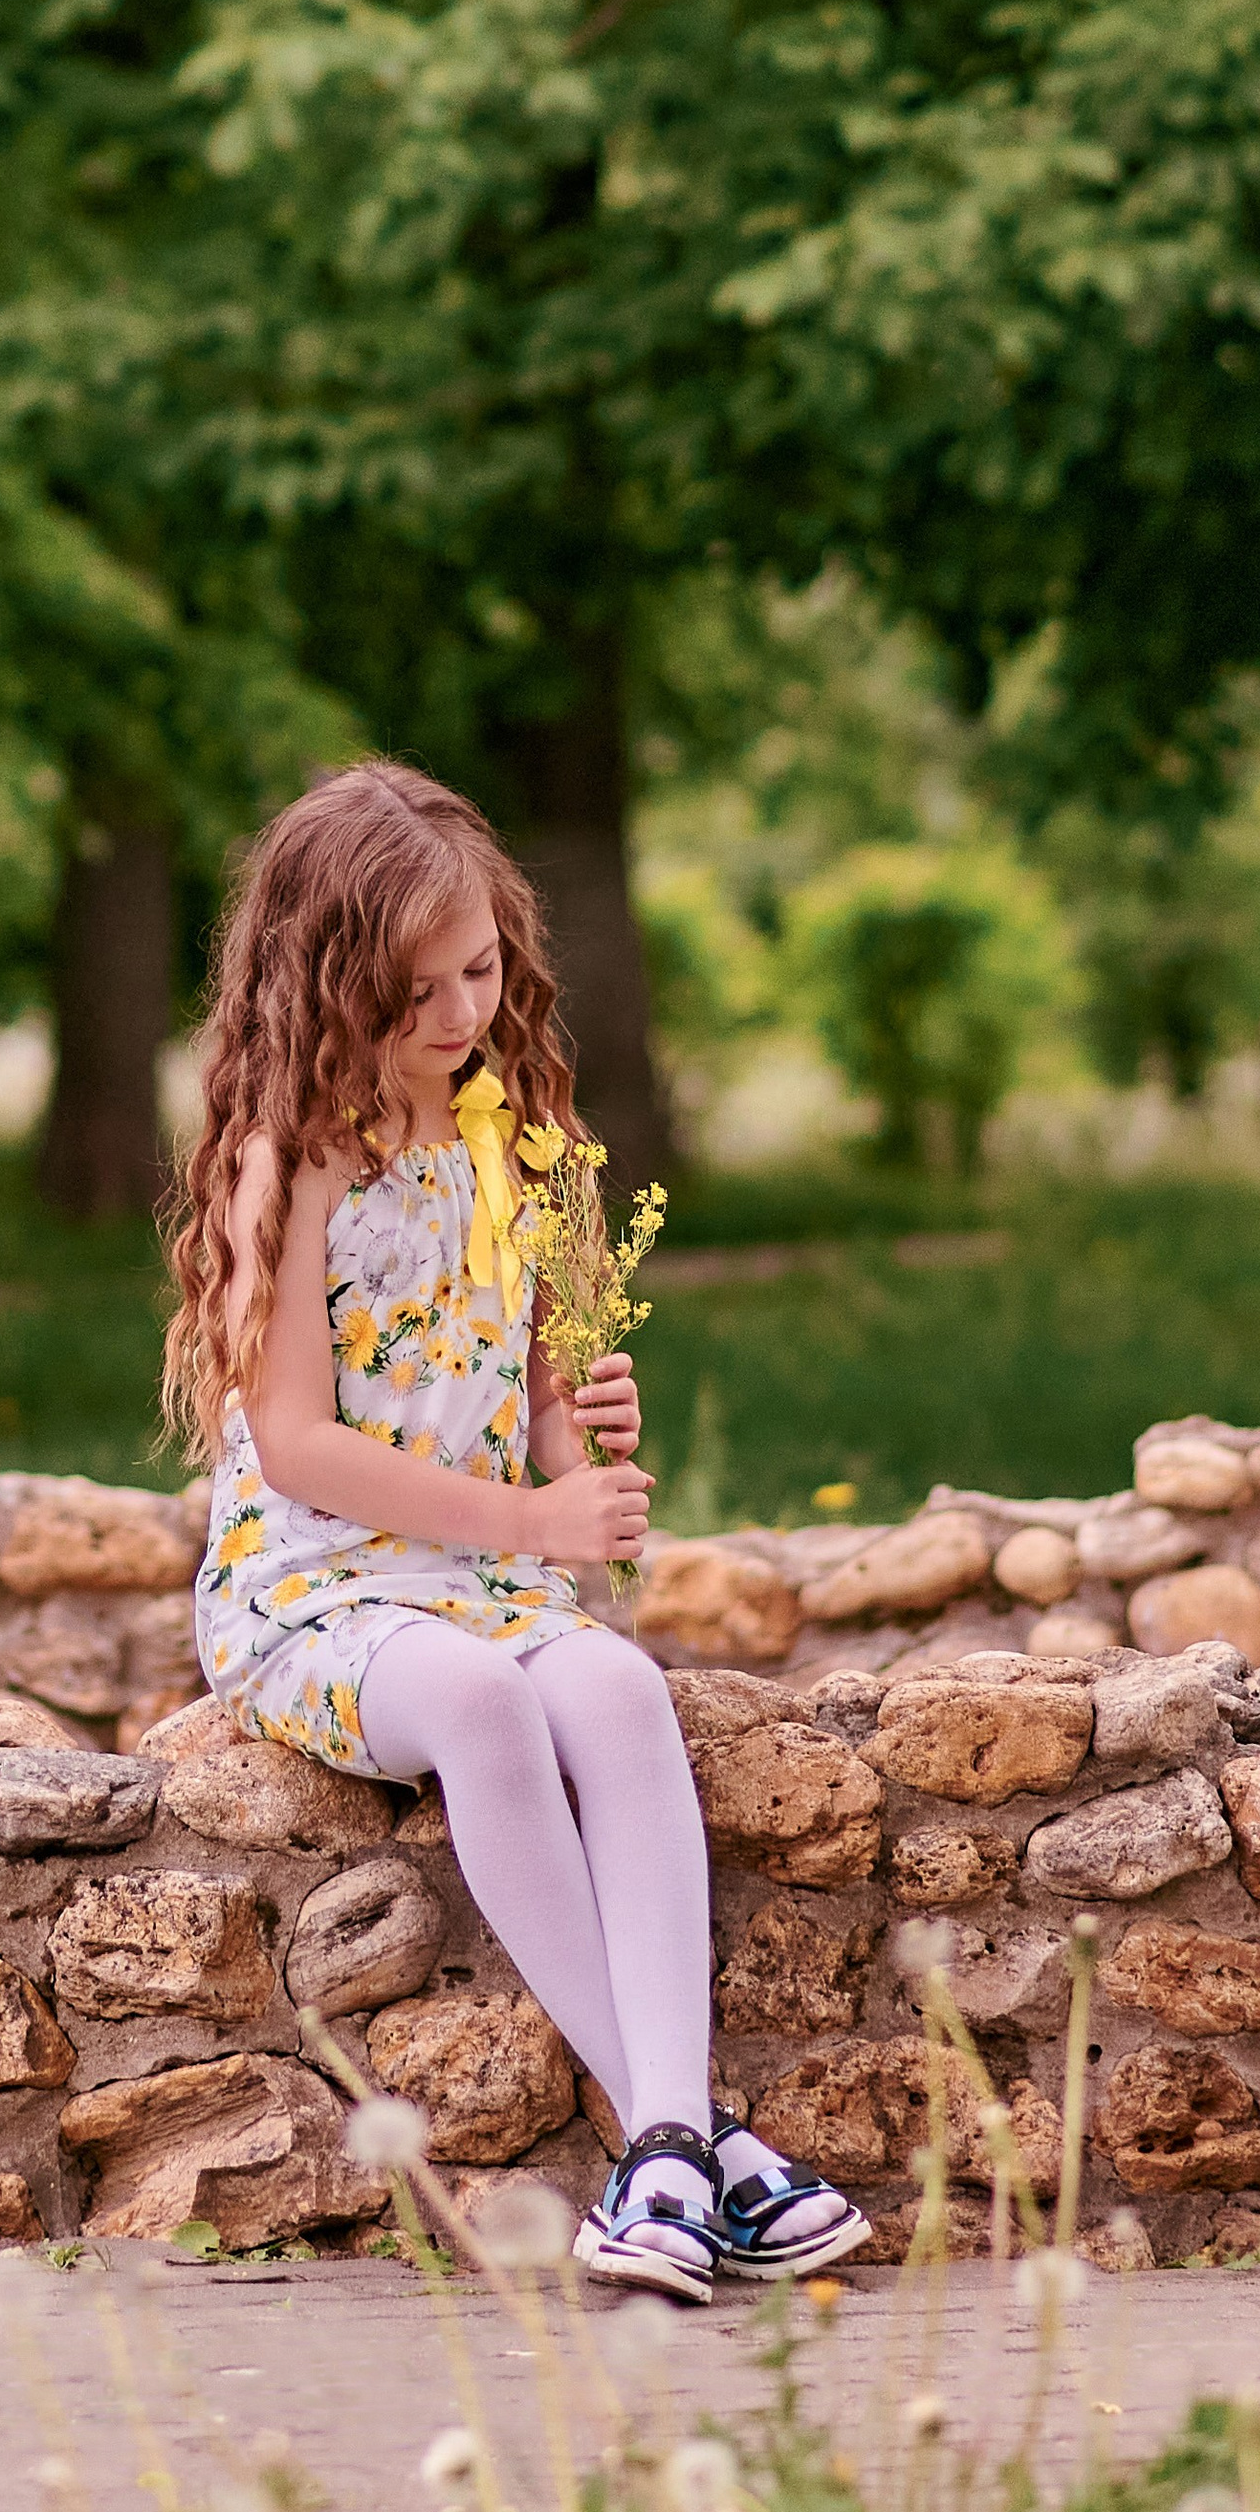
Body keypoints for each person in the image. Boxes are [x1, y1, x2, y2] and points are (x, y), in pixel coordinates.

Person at [162, 757, 868, 2304]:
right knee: (483, 1704)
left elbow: (541, 1413)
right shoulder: (294, 1162)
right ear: (328, 981)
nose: (461, 1015)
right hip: (312, 1586)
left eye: (480, 970)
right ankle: (700, 2149)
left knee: (616, 1687)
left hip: (479, 1566)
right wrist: (532, 1511)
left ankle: (674, 2144)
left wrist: (585, 1450)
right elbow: (293, 1442)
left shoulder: (534, 1150)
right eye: (416, 991)